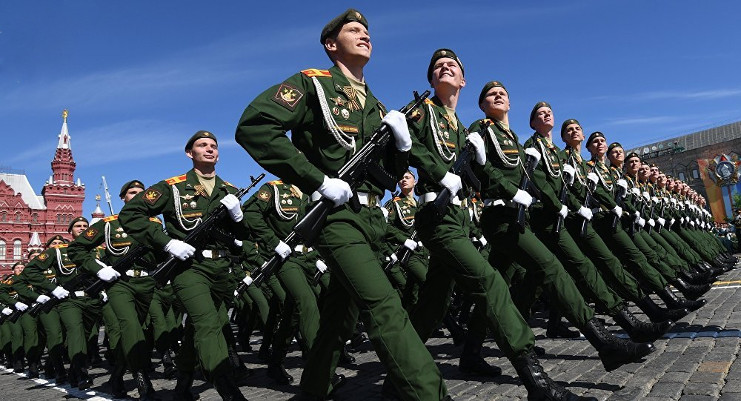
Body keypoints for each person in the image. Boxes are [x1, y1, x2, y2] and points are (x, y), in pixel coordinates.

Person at [236, 9, 449, 400]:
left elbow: (390, 172)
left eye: (367, 31)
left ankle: (312, 391)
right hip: (336, 217)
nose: (364, 34)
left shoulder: (377, 104)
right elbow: (254, 127)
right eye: (354, 30)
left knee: (338, 318)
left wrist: (402, 146)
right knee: (384, 307)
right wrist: (316, 180)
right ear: (331, 44)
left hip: (372, 218)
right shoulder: (312, 84)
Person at [405, 50, 593, 401]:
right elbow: (406, 150)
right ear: (431, 80)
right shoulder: (419, 112)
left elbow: (479, 179)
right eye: (437, 67)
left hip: (459, 219)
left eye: (453, 67)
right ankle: (537, 382)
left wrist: (477, 166)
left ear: (462, 80)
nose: (444, 68)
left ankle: (398, 375)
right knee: (492, 282)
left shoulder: (460, 127)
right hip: (437, 217)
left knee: (431, 307)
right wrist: (430, 166)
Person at [470, 81, 653, 374]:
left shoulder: (514, 139)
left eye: (503, 93)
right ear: (482, 105)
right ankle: (604, 342)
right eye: (491, 94)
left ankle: (471, 350)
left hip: (519, 217)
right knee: (552, 269)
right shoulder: (481, 130)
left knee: (496, 286)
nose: (499, 95)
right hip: (501, 217)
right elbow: (482, 170)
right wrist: (513, 191)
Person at [119, 130, 249, 400]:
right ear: (190, 153)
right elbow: (131, 214)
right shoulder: (173, 187)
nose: (210, 149)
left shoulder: (231, 191)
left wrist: (238, 217)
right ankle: (228, 389)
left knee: (196, 330)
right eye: (202, 145)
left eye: (214, 145)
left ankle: (183, 385)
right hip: (189, 269)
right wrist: (166, 243)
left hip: (221, 270)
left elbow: (243, 236)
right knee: (209, 324)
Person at [68, 179, 164, 399]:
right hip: (120, 284)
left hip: (147, 283)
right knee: (131, 327)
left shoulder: (154, 223)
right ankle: (141, 377)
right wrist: (98, 269)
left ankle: (117, 375)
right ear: (123, 198)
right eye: (132, 192)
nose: (138, 195)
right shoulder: (109, 224)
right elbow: (77, 249)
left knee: (137, 333)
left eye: (142, 192)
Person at [14, 217, 99, 390]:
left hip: (89, 299)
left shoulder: (95, 250)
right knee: (58, 334)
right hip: (60, 302)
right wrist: (42, 294)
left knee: (83, 336)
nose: (82, 228)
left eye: (85, 226)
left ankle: (73, 370)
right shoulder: (57, 255)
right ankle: (65, 370)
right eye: (78, 226)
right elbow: (24, 278)